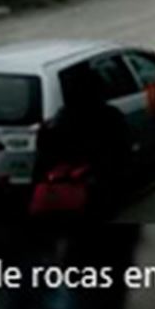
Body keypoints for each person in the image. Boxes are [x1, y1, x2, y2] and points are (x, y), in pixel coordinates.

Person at [37, 66, 132, 218]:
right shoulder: (110, 118)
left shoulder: (55, 123)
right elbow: (123, 154)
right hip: (99, 190)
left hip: (63, 194)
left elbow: (43, 160)